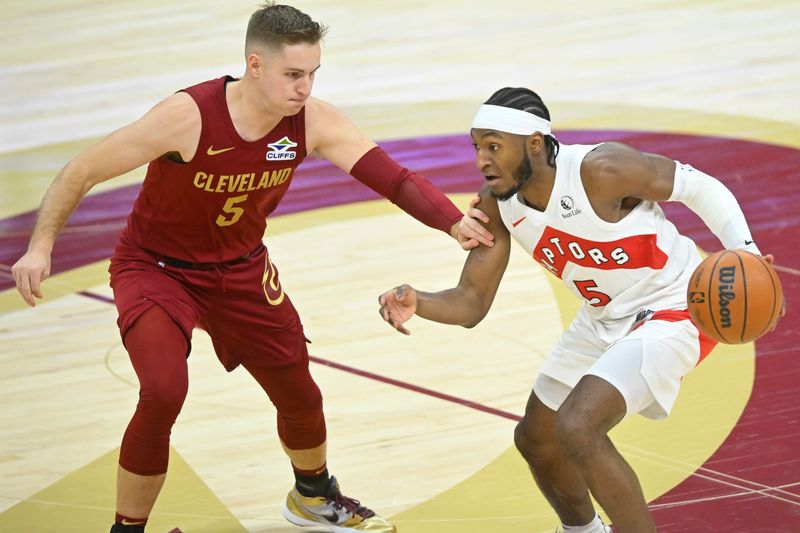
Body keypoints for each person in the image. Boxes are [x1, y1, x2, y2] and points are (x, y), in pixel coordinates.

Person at [10, 4, 491, 532]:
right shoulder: (187, 116)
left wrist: (451, 222)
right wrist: (41, 245)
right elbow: (81, 170)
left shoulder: (313, 121)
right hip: (157, 269)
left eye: (312, 75)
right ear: (255, 65)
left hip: (241, 270)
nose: (305, 88)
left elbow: (393, 179)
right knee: (164, 390)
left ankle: (313, 497)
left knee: (301, 394)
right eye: (293, 75)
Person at [379, 87, 784, 533]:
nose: (481, 160)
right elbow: (472, 302)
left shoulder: (602, 169)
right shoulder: (498, 202)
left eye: (493, 146)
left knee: (578, 426)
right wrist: (420, 302)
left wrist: (744, 251)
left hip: (675, 306)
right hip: (602, 317)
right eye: (477, 147)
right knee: (537, 439)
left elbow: (699, 187)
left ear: (534, 142)